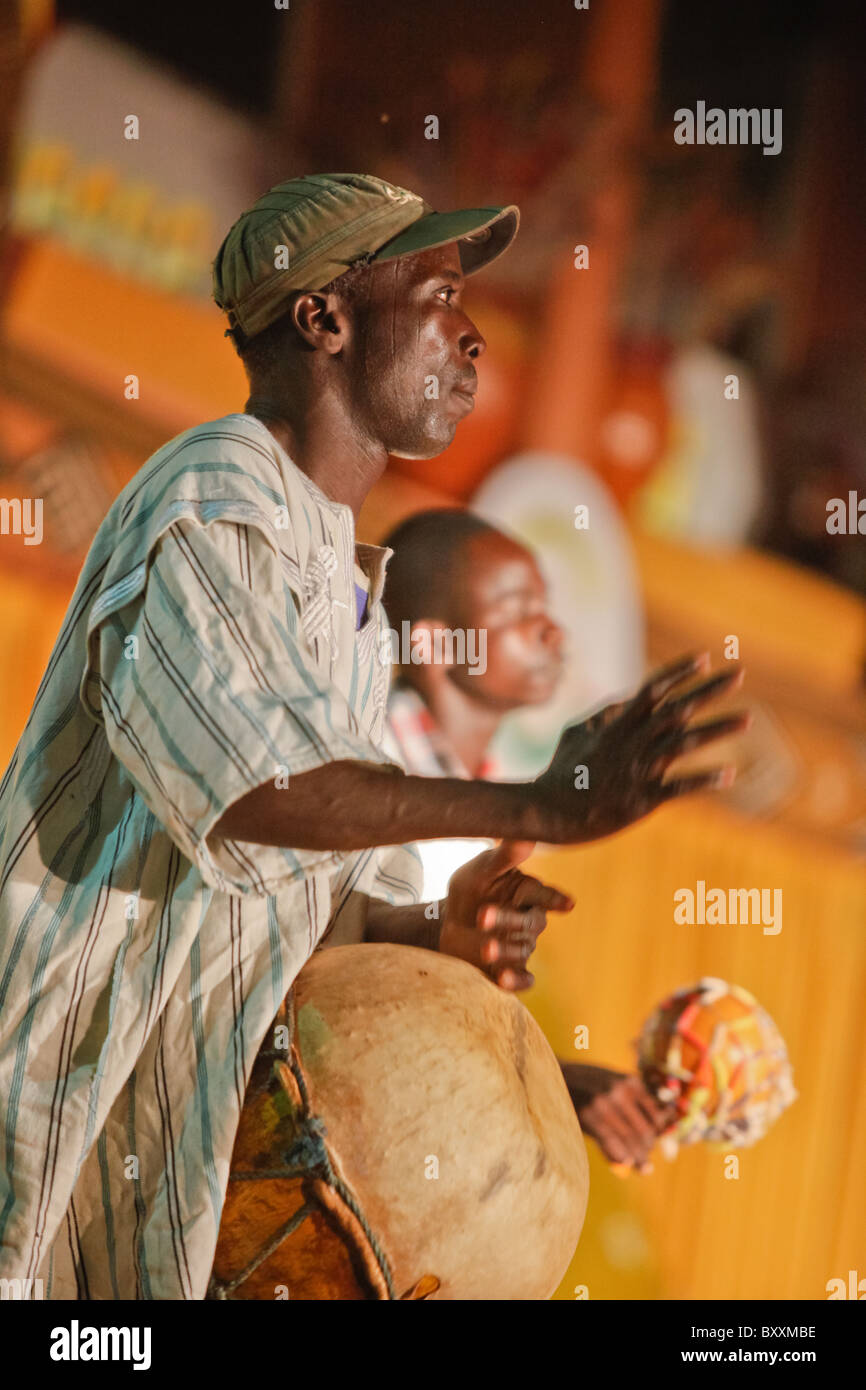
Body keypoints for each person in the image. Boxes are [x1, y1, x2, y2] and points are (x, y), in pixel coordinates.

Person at [0, 173, 745, 1299]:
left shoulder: (342, 587)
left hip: (136, 1178)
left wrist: (430, 925)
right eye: (439, 294)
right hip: (36, 1110)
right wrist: (537, 806)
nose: (472, 335)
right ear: (324, 319)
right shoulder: (215, 492)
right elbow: (258, 792)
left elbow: (297, 884)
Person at [381, 508, 681, 1170]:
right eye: (519, 611)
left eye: (546, 606)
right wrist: (552, 1075)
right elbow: (360, 978)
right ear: (432, 645)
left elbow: (447, 1012)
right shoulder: (371, 765)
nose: (552, 629)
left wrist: (555, 1077)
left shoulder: (497, 810)